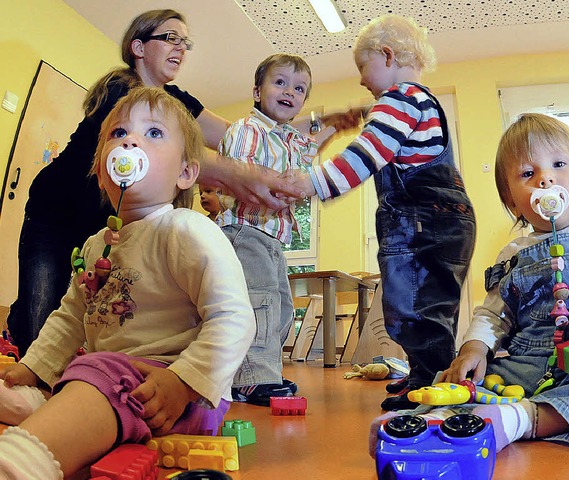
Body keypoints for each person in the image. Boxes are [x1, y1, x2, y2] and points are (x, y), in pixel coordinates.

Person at [6, 8, 300, 358]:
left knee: (85, 309)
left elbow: (235, 137)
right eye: (170, 38)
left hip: (96, 227)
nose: (180, 48)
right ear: (139, 47)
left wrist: (296, 132)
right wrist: (241, 175)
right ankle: (22, 334)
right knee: (41, 315)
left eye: (185, 42)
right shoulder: (120, 91)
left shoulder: (178, 103)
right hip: (52, 216)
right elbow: (182, 156)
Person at [0, 86, 256, 479]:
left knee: (97, 375)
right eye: (118, 134)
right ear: (101, 171)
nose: (130, 140)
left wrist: (183, 382)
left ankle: (22, 461)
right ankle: (40, 403)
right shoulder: (95, 243)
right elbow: (70, 316)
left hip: (170, 391)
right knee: (85, 369)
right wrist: (35, 367)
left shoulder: (184, 230)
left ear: (186, 173)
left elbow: (234, 317)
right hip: (109, 376)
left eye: (153, 133)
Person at [369, 113, 569, 456]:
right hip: (528, 363)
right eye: (528, 174)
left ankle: (527, 419)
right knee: (462, 379)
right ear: (512, 201)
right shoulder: (513, 253)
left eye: (559, 164)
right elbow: (493, 314)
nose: (545, 179)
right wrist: (474, 349)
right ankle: (428, 421)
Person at [292, 15, 476, 411]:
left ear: (387, 55)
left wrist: (313, 184)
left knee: (412, 306)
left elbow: (367, 153)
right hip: (444, 221)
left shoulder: (402, 97)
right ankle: (424, 372)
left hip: (422, 224)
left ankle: (431, 385)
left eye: (363, 68)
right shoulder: (422, 103)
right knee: (429, 304)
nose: (361, 81)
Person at [216, 53, 346, 406]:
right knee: (259, 302)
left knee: (282, 307)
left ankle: (265, 369)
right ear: (257, 92)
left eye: (299, 89)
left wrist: (338, 123)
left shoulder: (287, 139)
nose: (290, 92)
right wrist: (280, 185)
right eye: (280, 83)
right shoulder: (247, 128)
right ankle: (250, 378)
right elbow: (241, 171)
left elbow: (309, 149)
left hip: (271, 235)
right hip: (244, 230)